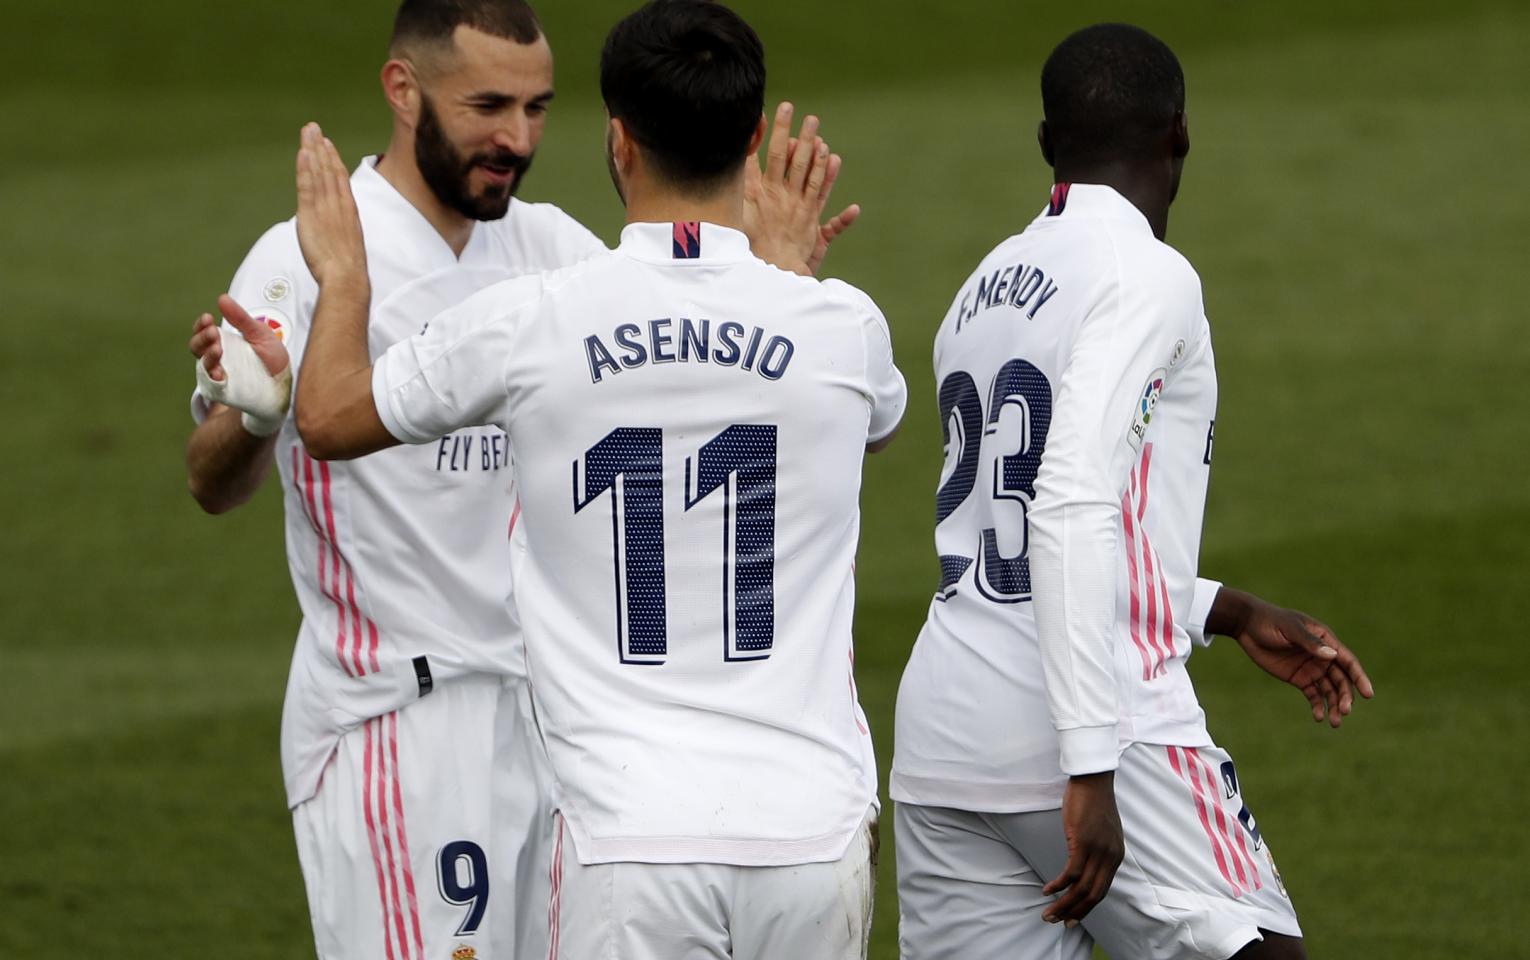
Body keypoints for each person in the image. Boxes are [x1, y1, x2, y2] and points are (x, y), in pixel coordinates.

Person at [282, 2, 903, 956]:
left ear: (618, 141)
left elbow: (324, 418)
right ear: (750, 141)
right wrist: (782, 278)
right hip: (812, 838)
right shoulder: (845, 329)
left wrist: (346, 278)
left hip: (629, 843)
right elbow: (867, 418)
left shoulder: (527, 321)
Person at [890, 22, 1375, 960]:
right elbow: (1066, 505)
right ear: (1180, 135)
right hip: (1094, 720)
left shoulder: (982, 287)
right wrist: (1088, 763)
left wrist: (1222, 609)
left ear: (1046, 146)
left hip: (946, 732)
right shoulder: (1148, 276)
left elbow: (1010, 530)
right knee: (1263, 950)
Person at [184, 3, 606, 958]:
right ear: (402, 89)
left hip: (551, 719)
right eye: (489, 105)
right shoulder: (305, 252)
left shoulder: (553, 253)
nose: (518, 138)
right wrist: (253, 416)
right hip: (398, 727)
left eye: (538, 108)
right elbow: (213, 484)